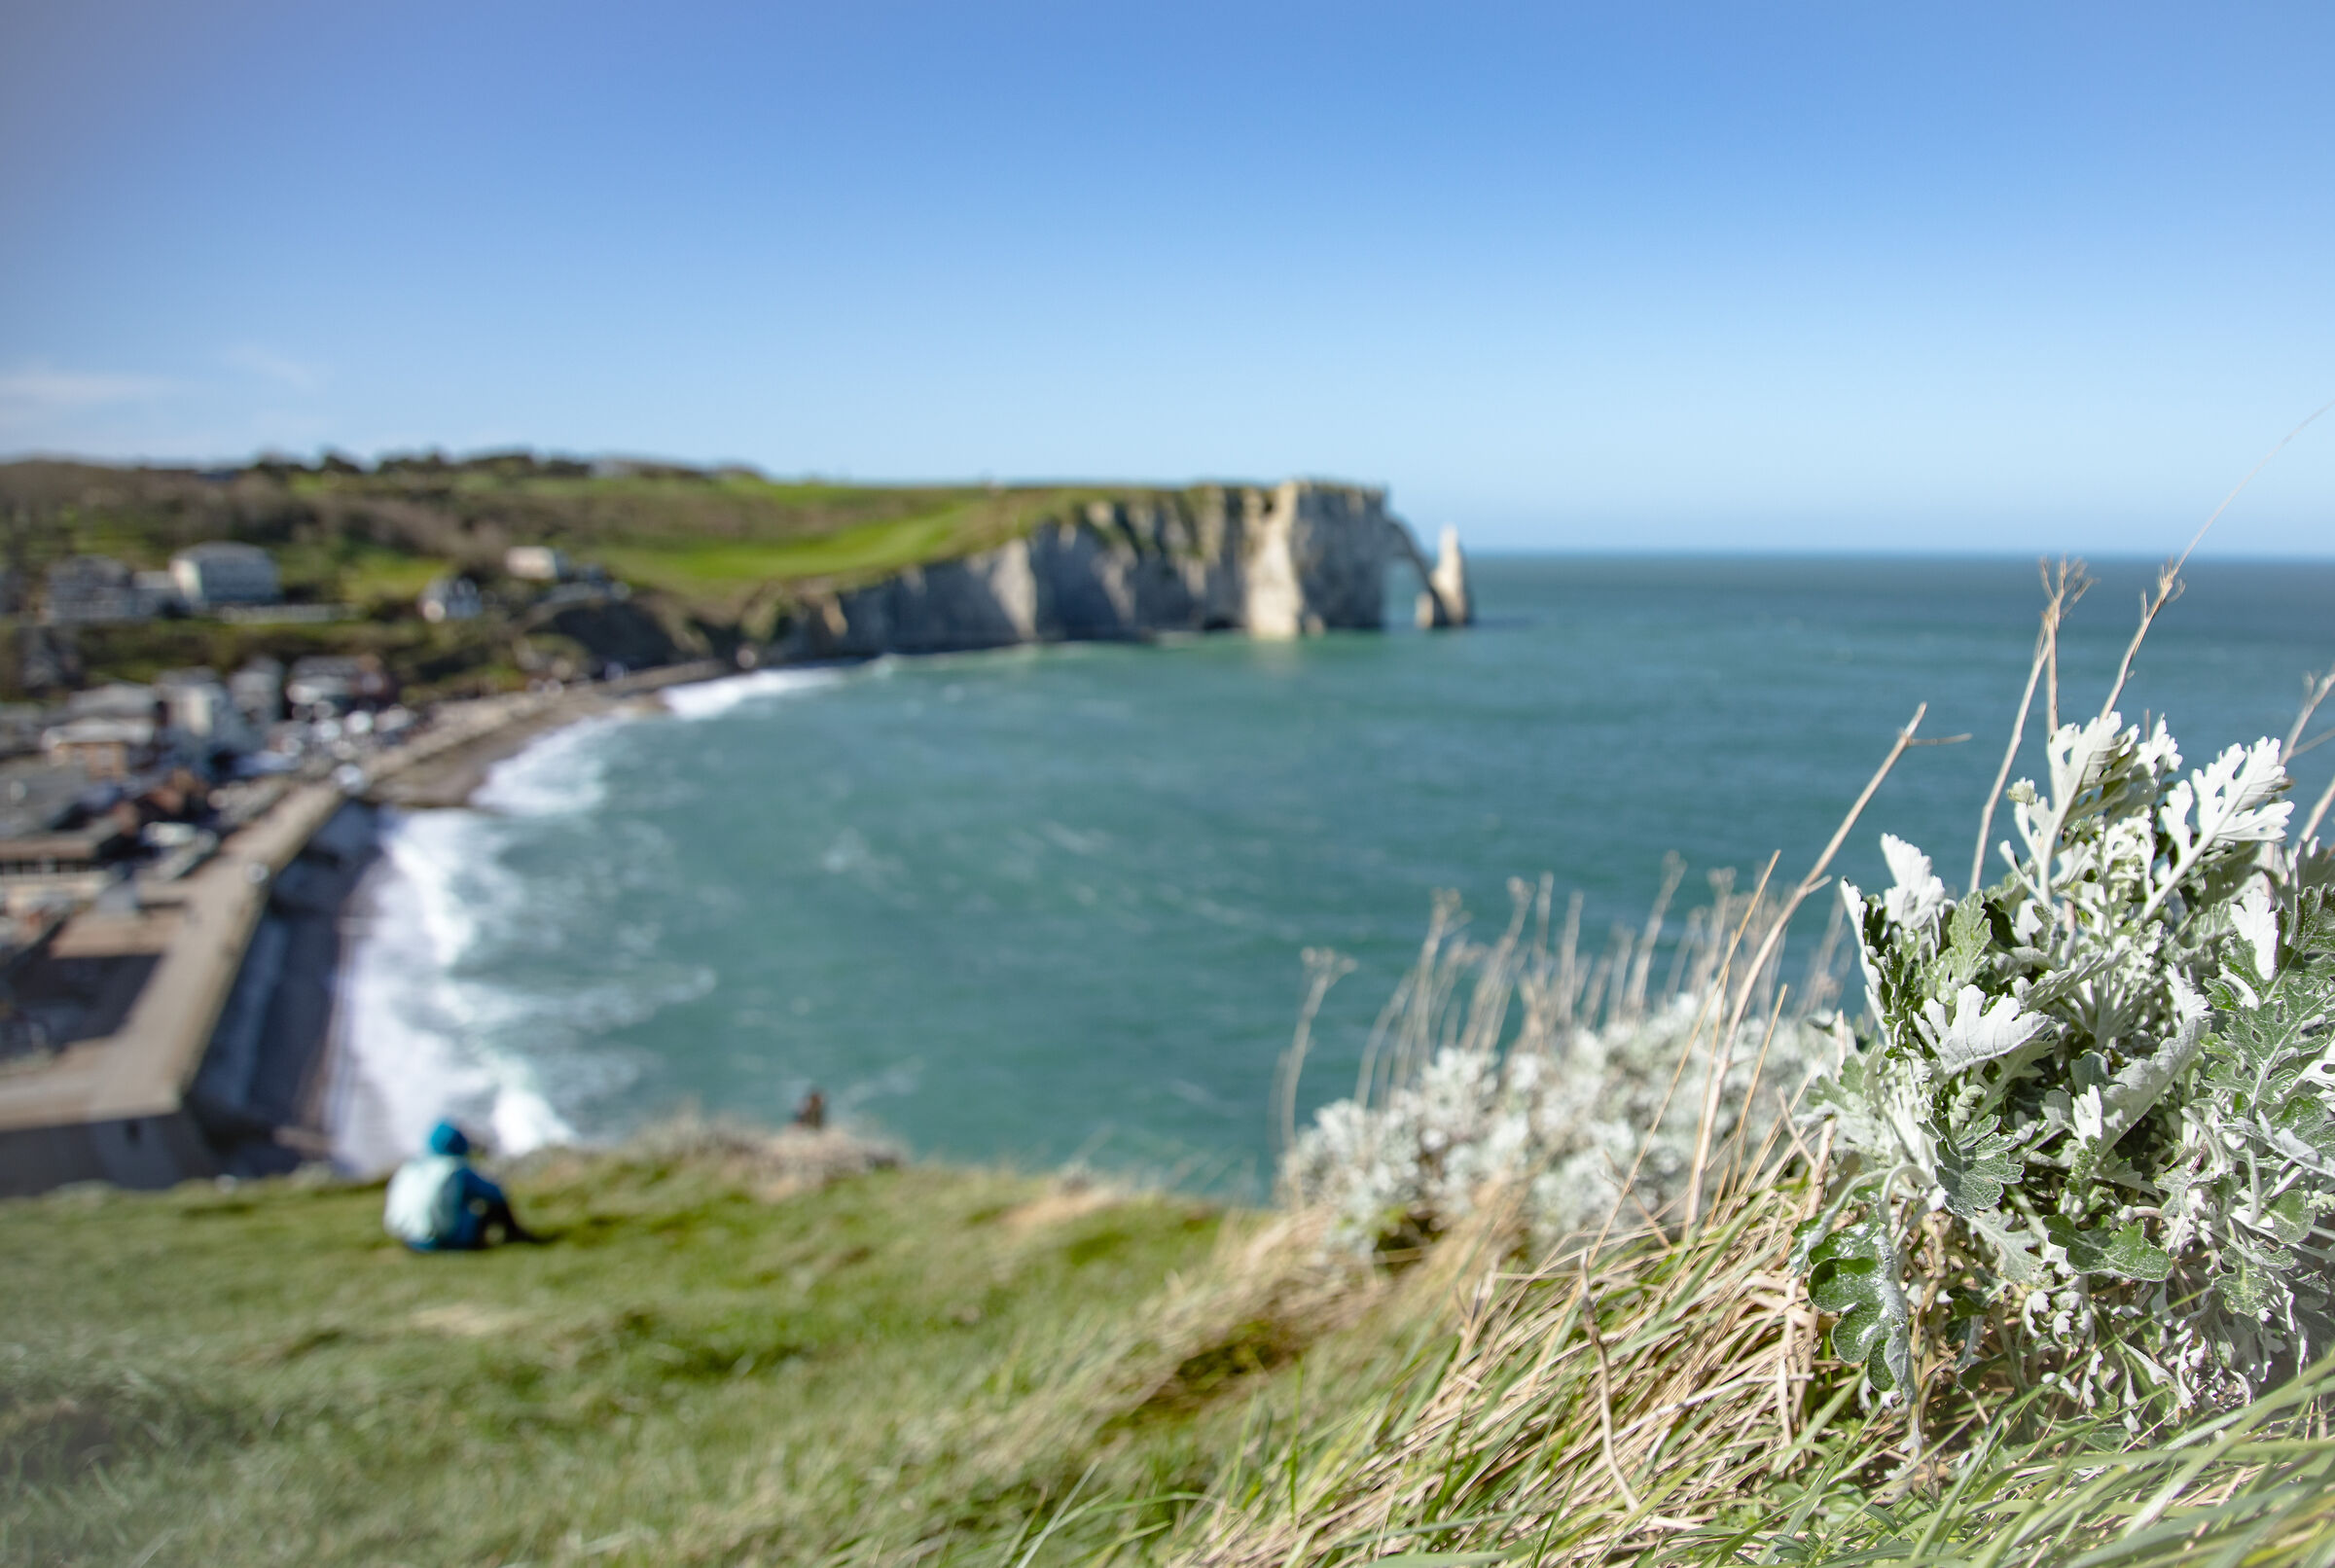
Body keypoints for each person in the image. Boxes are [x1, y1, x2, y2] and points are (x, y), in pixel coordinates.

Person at [382, 1121, 537, 1251]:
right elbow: (495, 1193)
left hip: (409, 1240)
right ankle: (515, 1236)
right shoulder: (455, 1169)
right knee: (490, 1205)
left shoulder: (412, 1166)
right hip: (446, 1239)